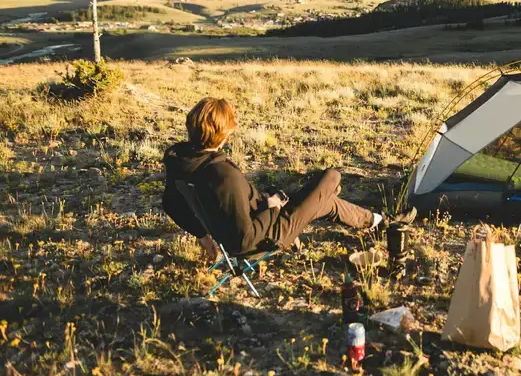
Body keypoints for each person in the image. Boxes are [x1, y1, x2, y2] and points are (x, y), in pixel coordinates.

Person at [161, 97, 415, 260]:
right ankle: (374, 219)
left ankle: (380, 223)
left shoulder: (182, 162)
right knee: (330, 176)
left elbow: (171, 203)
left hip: (252, 221)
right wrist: (270, 208)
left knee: (323, 202)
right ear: (223, 134)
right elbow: (243, 239)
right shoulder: (222, 174)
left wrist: (202, 235)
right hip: (266, 236)